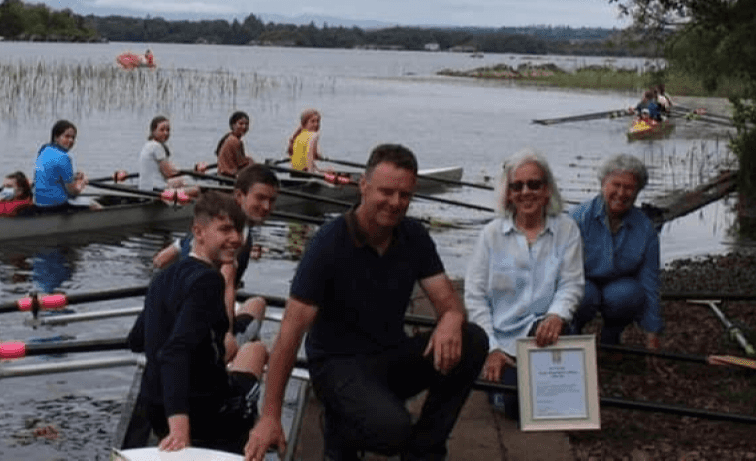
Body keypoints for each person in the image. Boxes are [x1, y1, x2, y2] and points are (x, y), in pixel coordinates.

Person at [244, 143, 488, 461]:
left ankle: (426, 449)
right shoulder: (328, 245)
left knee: (473, 339)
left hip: (389, 356)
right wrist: (269, 417)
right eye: (386, 192)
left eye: (405, 195)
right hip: (337, 365)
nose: (395, 203)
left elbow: (447, 301)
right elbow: (290, 335)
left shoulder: (413, 236)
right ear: (364, 185)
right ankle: (340, 430)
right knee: (392, 431)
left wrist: (452, 318)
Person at [126, 191, 269, 454]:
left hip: (155, 410)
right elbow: (174, 351)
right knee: (256, 351)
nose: (236, 238)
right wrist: (181, 429)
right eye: (225, 230)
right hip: (204, 412)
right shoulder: (208, 281)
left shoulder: (162, 278)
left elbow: (136, 340)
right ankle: (250, 442)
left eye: (238, 230)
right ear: (198, 232)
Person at [465, 149, 584, 418]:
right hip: (504, 339)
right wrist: (491, 348)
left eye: (534, 184)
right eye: (517, 186)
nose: (525, 192)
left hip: (546, 334)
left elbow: (572, 284)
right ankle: (503, 378)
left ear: (547, 190)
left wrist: (556, 315)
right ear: (508, 194)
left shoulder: (567, 229)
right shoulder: (491, 235)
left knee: (550, 406)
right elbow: (475, 298)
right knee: (516, 408)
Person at [153, 164, 281, 345]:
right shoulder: (239, 234)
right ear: (239, 196)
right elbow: (227, 283)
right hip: (207, 333)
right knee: (258, 305)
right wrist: (226, 336)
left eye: (272, 200)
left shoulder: (208, 224)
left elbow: (160, 259)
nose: (267, 206)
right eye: (260, 198)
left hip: (174, 322)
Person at [571, 154, 663, 349]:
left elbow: (650, 281)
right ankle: (573, 334)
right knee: (583, 294)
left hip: (619, 287)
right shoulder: (577, 219)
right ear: (603, 184)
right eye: (616, 185)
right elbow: (559, 273)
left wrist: (652, 334)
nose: (622, 193)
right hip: (582, 283)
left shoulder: (646, 229)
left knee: (631, 294)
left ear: (638, 191)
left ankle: (611, 336)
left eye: (629, 187)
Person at [33, 120, 88, 212]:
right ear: (56, 137)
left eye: (73, 137)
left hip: (38, 202)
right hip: (56, 206)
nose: (71, 140)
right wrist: (83, 182)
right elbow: (72, 192)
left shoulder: (44, 150)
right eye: (66, 136)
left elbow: (53, 176)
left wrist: (74, 177)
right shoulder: (64, 157)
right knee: (95, 206)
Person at [137, 116, 198, 197]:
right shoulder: (156, 147)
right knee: (196, 189)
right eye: (162, 130)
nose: (166, 133)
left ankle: (179, 201)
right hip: (158, 192)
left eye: (168, 130)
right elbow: (168, 174)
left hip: (146, 189)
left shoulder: (148, 144)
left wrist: (183, 177)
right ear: (153, 131)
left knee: (182, 181)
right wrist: (192, 173)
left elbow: (169, 172)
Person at [215, 111, 254, 177]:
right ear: (233, 125)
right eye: (241, 124)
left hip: (225, 171)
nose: (244, 127)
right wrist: (250, 161)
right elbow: (241, 163)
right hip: (229, 173)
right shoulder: (234, 141)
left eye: (246, 124)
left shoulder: (230, 137)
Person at [286, 108, 323, 172]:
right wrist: (312, 173)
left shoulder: (298, 136)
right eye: (313, 121)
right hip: (306, 173)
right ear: (304, 123)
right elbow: (309, 156)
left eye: (317, 121)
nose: (316, 124)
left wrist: (317, 156)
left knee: (328, 170)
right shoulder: (314, 135)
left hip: (294, 172)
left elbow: (305, 154)